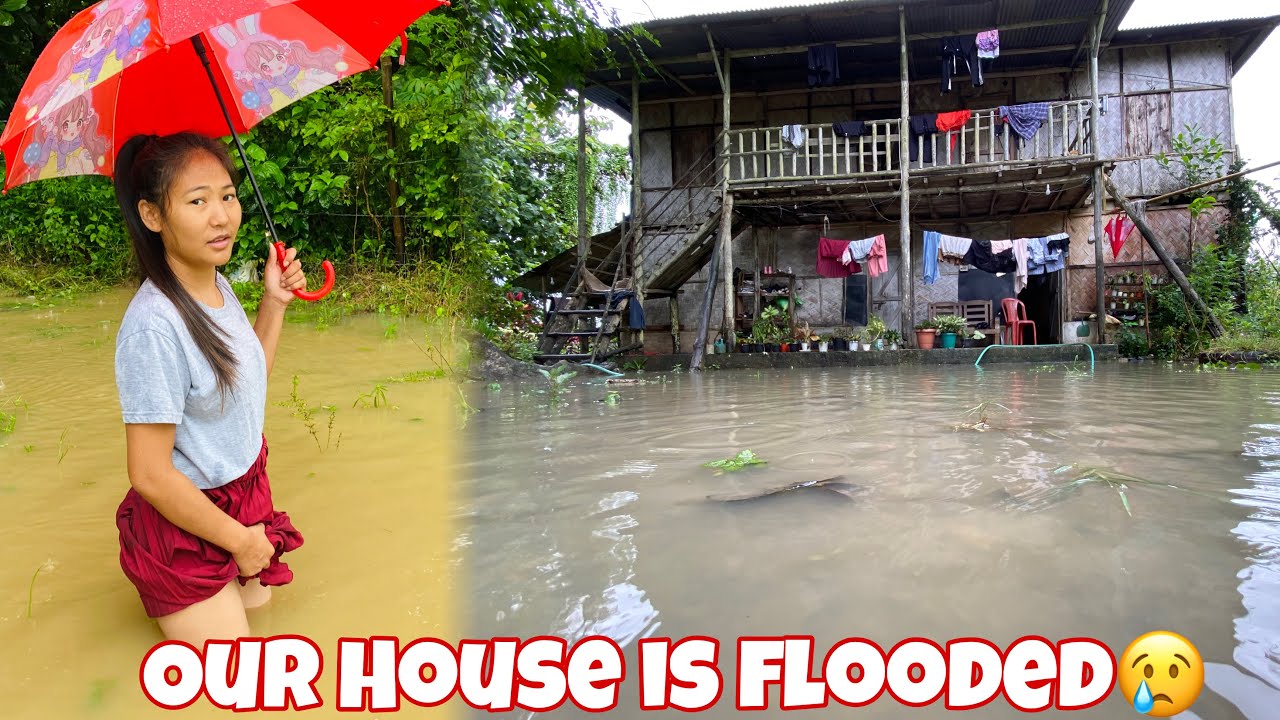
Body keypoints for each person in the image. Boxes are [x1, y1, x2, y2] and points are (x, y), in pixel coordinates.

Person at [110, 132, 306, 645]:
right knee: (235, 675)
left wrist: (275, 302)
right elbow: (150, 474)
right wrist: (240, 542)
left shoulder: (215, 285)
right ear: (152, 216)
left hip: (243, 495)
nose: (222, 216)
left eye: (228, 195)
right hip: (187, 521)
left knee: (267, 627)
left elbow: (248, 384)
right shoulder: (154, 327)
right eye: (198, 201)